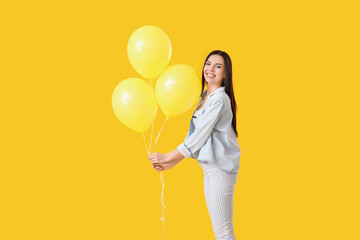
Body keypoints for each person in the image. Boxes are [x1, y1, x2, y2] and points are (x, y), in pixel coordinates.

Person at [148, 50, 241, 240]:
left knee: (223, 231)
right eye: (208, 64)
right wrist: (172, 162)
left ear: (225, 74)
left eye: (218, 66)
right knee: (220, 230)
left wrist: (169, 156)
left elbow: (200, 135)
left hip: (220, 169)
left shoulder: (220, 99)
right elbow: (196, 136)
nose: (211, 69)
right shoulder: (205, 96)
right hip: (210, 168)